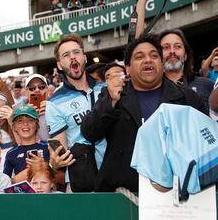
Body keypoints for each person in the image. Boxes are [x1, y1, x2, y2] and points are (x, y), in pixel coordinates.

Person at [81, 34, 208, 192]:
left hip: (177, 195)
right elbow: (89, 132)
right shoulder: (113, 95)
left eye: (154, 56)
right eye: (139, 57)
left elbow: (205, 145)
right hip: (123, 196)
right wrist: (110, 102)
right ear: (127, 68)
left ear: (162, 63)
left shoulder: (188, 98)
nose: (148, 60)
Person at [46, 33, 107, 192]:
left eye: (76, 52)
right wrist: (55, 162)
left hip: (113, 176)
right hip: (80, 181)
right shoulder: (54, 102)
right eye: (66, 55)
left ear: (85, 57)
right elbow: (61, 151)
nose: (72, 57)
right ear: (59, 65)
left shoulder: (105, 89)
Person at [159, 29, 214, 109]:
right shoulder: (152, 91)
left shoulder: (206, 85)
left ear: (185, 56)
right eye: (166, 47)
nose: (172, 51)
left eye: (177, 46)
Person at [4, 105, 50, 183]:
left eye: (30, 120)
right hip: (22, 194)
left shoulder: (48, 147)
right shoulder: (11, 153)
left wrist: (43, 166)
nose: (25, 124)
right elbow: (4, 183)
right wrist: (18, 179)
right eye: (20, 121)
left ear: (37, 125)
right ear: (14, 127)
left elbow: (62, 177)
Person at [24, 74, 49, 141]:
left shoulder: (56, 106)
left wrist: (51, 111)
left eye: (41, 87)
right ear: (26, 93)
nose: (37, 90)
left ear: (47, 89)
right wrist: (28, 117)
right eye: (32, 88)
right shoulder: (22, 113)